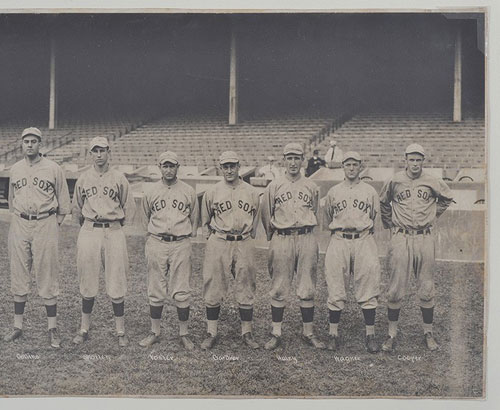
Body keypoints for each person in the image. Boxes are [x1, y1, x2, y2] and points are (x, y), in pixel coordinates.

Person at [379, 143, 453, 352]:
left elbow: (447, 197)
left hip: (424, 237)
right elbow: (384, 202)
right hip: (401, 237)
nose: (415, 164)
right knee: (395, 288)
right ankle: (392, 333)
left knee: (427, 287)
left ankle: (428, 332)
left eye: (418, 160)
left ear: (423, 161)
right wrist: (389, 224)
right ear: (406, 160)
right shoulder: (394, 180)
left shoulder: (431, 180)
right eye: (411, 159)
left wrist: (433, 214)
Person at [5, 127, 71, 348]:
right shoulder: (15, 169)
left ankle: (52, 328)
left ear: (40, 144)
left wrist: (52, 223)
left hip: (45, 221)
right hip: (21, 222)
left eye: (34, 141)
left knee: (47, 273)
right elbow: (11, 200)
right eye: (26, 141)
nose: (30, 144)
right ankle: (17, 327)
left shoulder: (53, 168)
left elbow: (63, 203)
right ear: (22, 144)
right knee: (19, 272)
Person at [72, 136, 135, 347]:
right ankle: (84, 328)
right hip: (89, 229)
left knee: (117, 279)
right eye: (95, 151)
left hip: (113, 230)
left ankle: (120, 330)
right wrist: (87, 224)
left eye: (102, 150)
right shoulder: (83, 178)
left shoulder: (119, 178)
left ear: (109, 152)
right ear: (90, 154)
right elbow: (77, 208)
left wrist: (115, 225)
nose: (99, 154)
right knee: (87, 279)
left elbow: (129, 208)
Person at [261, 142, 325, 351]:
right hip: (283, 237)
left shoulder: (311, 186)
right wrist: (275, 236)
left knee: (307, 286)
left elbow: (315, 210)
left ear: (302, 161)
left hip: (306, 236)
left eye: (297, 158)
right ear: (284, 161)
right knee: (279, 286)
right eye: (289, 158)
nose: (293, 162)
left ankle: (308, 332)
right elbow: (266, 214)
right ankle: (276, 332)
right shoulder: (274, 185)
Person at [200, 151, 261, 350]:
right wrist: (213, 238)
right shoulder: (212, 191)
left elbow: (256, 219)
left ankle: (247, 332)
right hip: (219, 240)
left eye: (232, 166)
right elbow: (205, 220)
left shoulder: (251, 192)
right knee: (213, 284)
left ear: (238, 166)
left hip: (243, 240)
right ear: (221, 168)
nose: (229, 170)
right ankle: (211, 332)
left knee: (246, 284)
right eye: (225, 166)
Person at [138, 151, 199, 350]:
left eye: (172, 166)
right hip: (157, 241)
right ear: (160, 168)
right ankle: (155, 332)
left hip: (181, 242)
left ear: (177, 167)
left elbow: (194, 219)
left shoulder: (188, 191)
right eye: (165, 166)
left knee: (182, 290)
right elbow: (145, 217)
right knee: (155, 288)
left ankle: (184, 333)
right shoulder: (151, 191)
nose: (169, 169)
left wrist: (184, 236)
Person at [322, 151, 381, 353]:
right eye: (348, 164)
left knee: (368, 286)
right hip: (339, 239)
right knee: (336, 287)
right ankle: (333, 334)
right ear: (343, 167)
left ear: (360, 166)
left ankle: (370, 334)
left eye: (355, 164)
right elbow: (327, 217)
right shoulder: (333, 192)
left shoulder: (370, 191)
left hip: (363, 239)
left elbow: (374, 216)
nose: (351, 168)